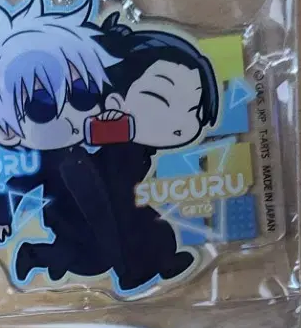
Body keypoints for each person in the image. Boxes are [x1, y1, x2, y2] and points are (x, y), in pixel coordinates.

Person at [0, 0, 118, 284]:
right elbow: (16, 184)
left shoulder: (87, 144)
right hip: (69, 224)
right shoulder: (42, 160)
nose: (70, 114)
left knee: (110, 254)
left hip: (102, 216)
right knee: (87, 262)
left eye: (82, 94)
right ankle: (32, 254)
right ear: (6, 131)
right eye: (42, 106)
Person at [88, 14, 221, 289]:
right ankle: (135, 271)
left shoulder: (143, 148)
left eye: (193, 110)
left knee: (155, 228)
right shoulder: (113, 146)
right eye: (160, 99)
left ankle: (159, 264)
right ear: (115, 102)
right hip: (109, 207)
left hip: (131, 203)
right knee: (137, 232)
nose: (182, 124)